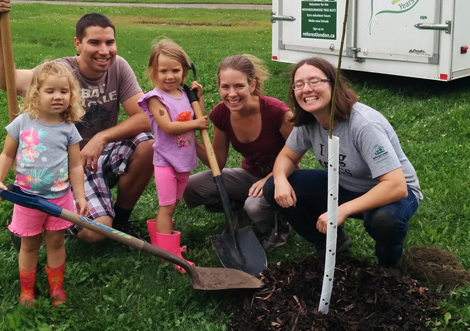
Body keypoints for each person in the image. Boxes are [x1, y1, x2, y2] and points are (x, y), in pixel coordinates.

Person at [0, 0, 154, 244]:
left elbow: (145, 118)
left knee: (148, 144)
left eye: (109, 42)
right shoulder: (59, 73)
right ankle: (43, 208)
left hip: (100, 156)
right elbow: (3, 80)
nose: (104, 50)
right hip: (63, 167)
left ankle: (121, 217)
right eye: (94, 42)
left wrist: (101, 138)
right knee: (97, 233)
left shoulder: (118, 66)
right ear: (77, 43)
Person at [264, 57, 422, 266]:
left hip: (391, 192)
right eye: (299, 84)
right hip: (346, 184)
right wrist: (281, 179)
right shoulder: (309, 120)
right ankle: (332, 243)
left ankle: (388, 265)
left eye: (314, 81)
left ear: (333, 84)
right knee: (273, 186)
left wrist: (343, 210)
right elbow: (286, 157)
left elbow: (396, 186)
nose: (306, 89)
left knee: (385, 221)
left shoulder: (363, 124)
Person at [0, 61, 88, 306]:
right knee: (29, 245)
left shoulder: (69, 129)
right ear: (36, 93)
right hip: (28, 198)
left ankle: (56, 288)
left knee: (56, 242)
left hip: (59, 197)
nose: (58, 97)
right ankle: (27, 291)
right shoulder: (22, 123)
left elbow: (76, 166)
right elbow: (7, 155)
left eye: (64, 92)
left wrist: (80, 196)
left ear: (71, 95)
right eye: (50, 91)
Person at [183, 55, 294, 249]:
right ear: (218, 87)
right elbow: (217, 163)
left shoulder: (277, 112)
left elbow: (296, 153)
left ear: (252, 85)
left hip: (285, 178)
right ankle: (238, 209)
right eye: (225, 87)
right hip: (249, 176)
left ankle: (280, 224)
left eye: (239, 86)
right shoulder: (221, 113)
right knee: (191, 187)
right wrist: (190, 137)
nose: (232, 94)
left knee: (254, 206)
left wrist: (271, 178)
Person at [138, 40, 208, 271]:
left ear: (185, 71)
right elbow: (167, 127)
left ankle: (162, 243)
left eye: (175, 71)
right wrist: (196, 123)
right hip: (166, 161)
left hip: (183, 161)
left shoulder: (184, 94)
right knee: (166, 207)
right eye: (163, 71)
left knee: (173, 205)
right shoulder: (156, 98)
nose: (170, 76)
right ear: (153, 71)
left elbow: (200, 117)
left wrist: (199, 98)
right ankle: (170, 255)